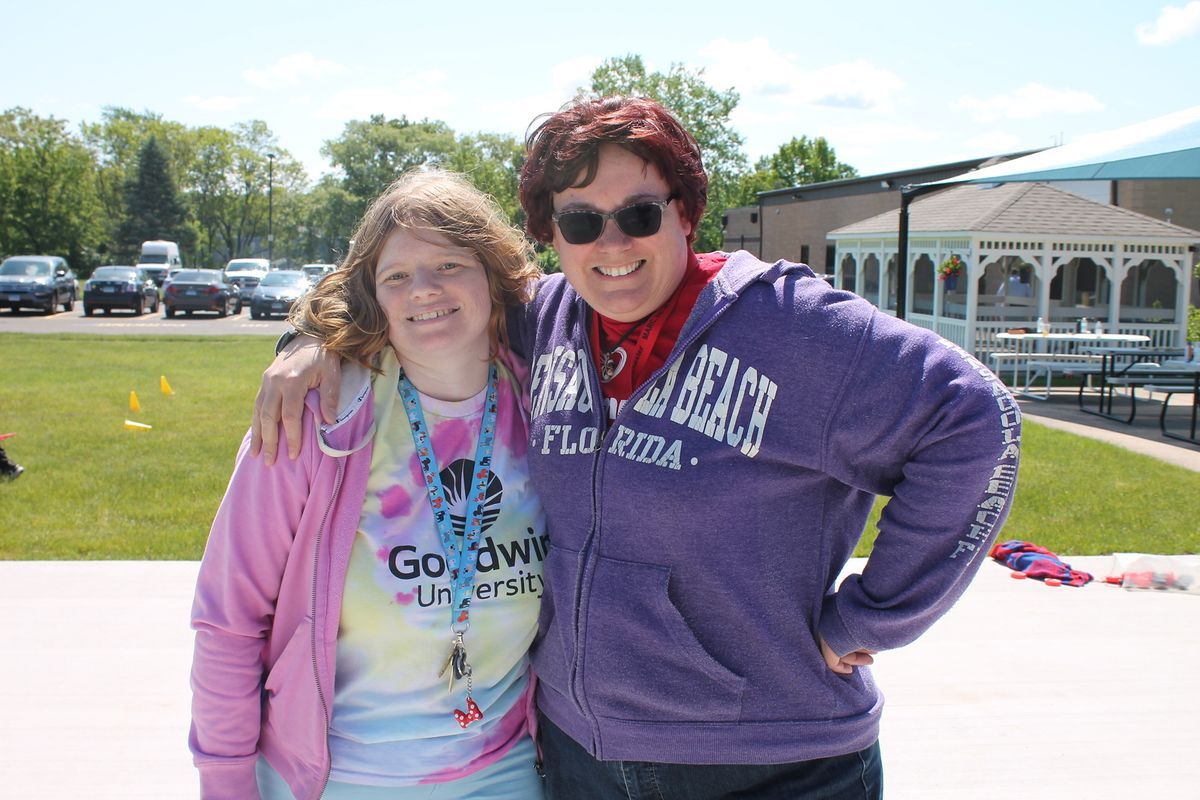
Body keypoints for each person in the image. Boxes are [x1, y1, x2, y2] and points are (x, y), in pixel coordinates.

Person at [254, 97, 1021, 800]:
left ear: (686, 214)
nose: (611, 244)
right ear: (551, 236)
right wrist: (309, 339)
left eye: (639, 213)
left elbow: (978, 420)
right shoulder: (543, 317)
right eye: (580, 222)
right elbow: (414, 286)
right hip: (581, 753)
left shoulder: (797, 329)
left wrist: (870, 618)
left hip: (772, 763)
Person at [190, 169, 547, 799]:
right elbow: (229, 621)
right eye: (397, 276)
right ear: (372, 294)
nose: (424, 291)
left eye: (449, 264)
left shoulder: (548, 402)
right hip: (337, 778)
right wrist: (225, 781)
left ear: (493, 274)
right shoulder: (314, 417)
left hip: (505, 772)